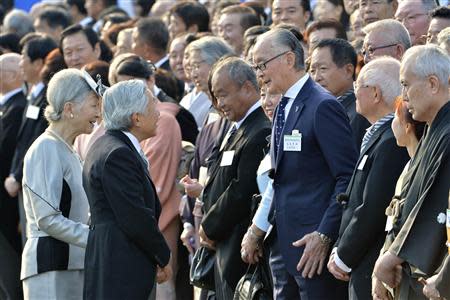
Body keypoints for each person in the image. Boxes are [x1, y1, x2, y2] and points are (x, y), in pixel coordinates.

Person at [252, 28, 357, 299]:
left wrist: (324, 235)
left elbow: (347, 177)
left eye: (262, 64)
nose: (259, 73)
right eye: (255, 66)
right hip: (284, 247)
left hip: (313, 252)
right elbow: (281, 177)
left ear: (288, 59)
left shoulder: (322, 106)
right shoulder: (284, 106)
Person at [327, 57, 409, 300]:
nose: (354, 93)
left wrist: (343, 255)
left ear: (375, 93)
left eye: (358, 86)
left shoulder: (391, 142)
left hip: (371, 262)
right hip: (361, 261)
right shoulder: (378, 134)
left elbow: (373, 207)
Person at [373, 45, 450, 300]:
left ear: (432, 84)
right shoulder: (433, 128)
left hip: (433, 271)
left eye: (406, 85)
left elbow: (435, 201)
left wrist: (394, 254)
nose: (403, 96)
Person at [82, 80, 171, 300]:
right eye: (152, 107)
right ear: (136, 117)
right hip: (121, 264)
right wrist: (163, 255)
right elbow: (134, 216)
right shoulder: (117, 154)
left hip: (114, 259)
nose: (158, 114)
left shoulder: (106, 145)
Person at [21, 69, 100, 299]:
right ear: (69, 108)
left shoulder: (67, 149)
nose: (98, 113)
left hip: (72, 264)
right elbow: (46, 219)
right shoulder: (46, 148)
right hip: (50, 266)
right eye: (93, 105)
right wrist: (97, 238)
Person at [199, 56, 271, 298]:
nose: (219, 104)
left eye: (223, 95)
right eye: (216, 97)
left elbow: (242, 189)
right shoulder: (241, 126)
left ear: (248, 88)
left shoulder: (260, 129)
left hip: (239, 245)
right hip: (225, 243)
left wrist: (210, 226)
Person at [371, 98, 426, 300]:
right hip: (394, 276)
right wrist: (378, 274)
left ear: (407, 126)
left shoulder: (425, 170)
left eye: (395, 117)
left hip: (413, 280)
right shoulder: (408, 167)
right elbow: (392, 226)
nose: (392, 123)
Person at [309, 38, 370, 148]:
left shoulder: (360, 111)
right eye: (312, 71)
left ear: (348, 71)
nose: (316, 78)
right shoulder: (316, 108)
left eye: (323, 69)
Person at [0, 53, 26, 300]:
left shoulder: (18, 106)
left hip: (6, 205)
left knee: (9, 272)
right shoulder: (8, 105)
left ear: (12, 75)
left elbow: (5, 149)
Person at [180, 37, 234, 130]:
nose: (193, 74)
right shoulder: (212, 106)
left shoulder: (234, 102)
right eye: (191, 68)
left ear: (217, 62)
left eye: (196, 66)